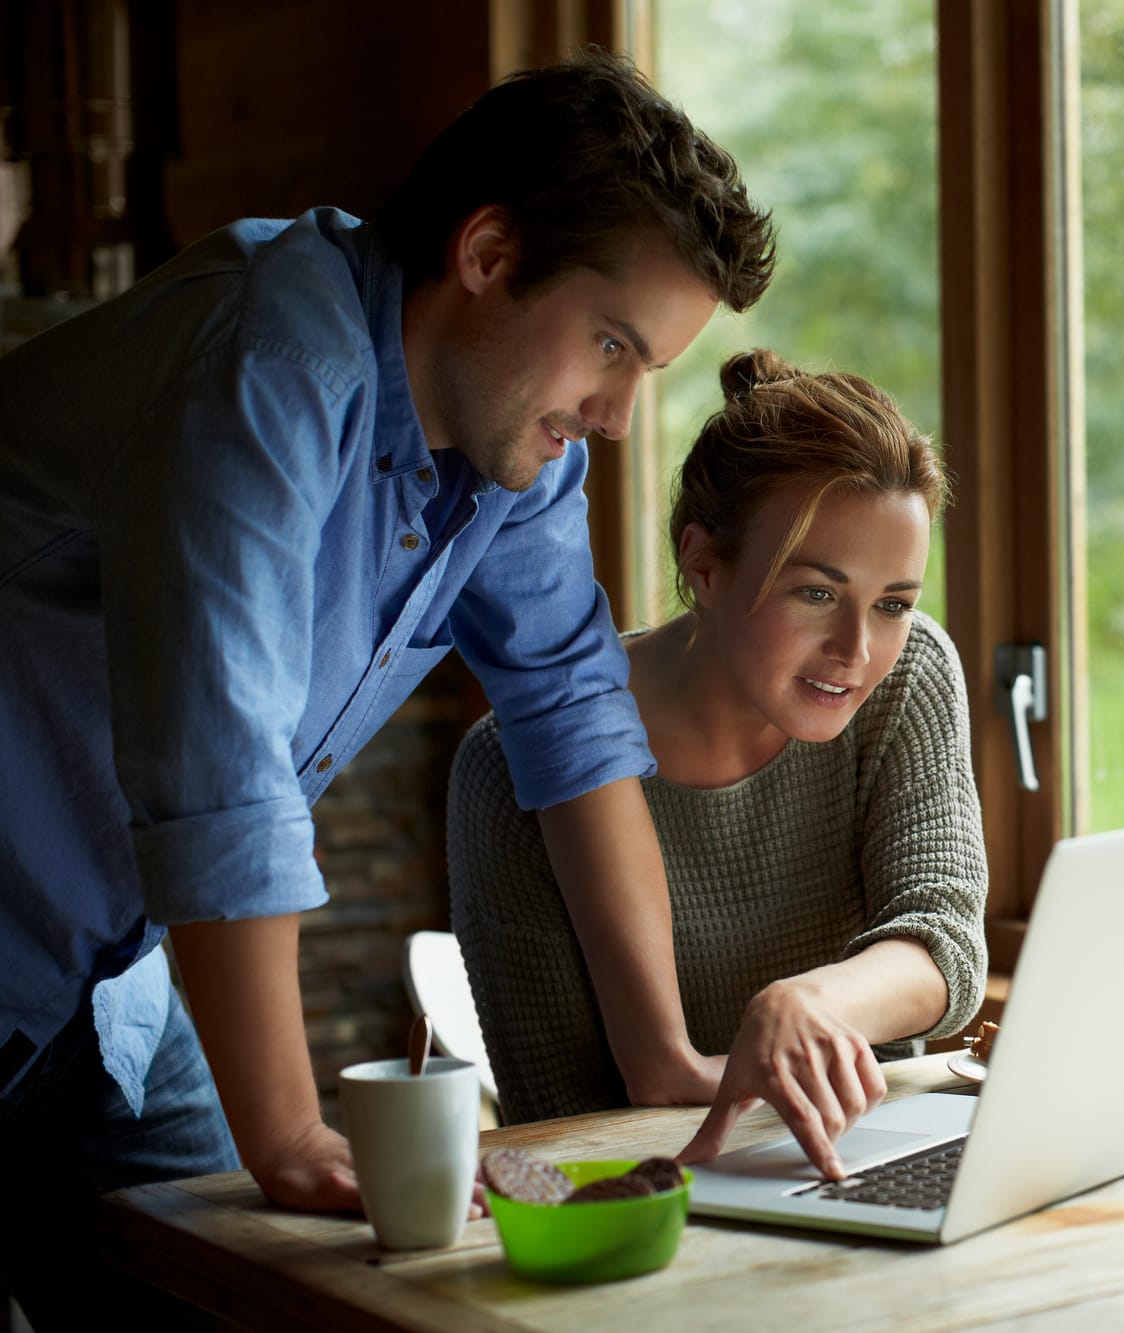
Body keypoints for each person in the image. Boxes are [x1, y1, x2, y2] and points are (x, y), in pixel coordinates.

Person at [0, 50, 774, 1326]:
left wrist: (666, 1061)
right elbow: (220, 774)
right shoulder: (273, 359)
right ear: (484, 255)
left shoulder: (511, 446)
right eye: (611, 347)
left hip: (104, 979)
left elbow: (572, 719)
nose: (624, 415)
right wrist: (291, 1130)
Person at [450, 349, 988, 1181]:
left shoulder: (909, 675)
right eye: (816, 592)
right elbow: (555, 1112)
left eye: (893, 604)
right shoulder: (506, 767)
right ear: (703, 565)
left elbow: (946, 939)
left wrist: (809, 1000)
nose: (857, 649)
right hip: (659, 1195)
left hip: (869, 1160)